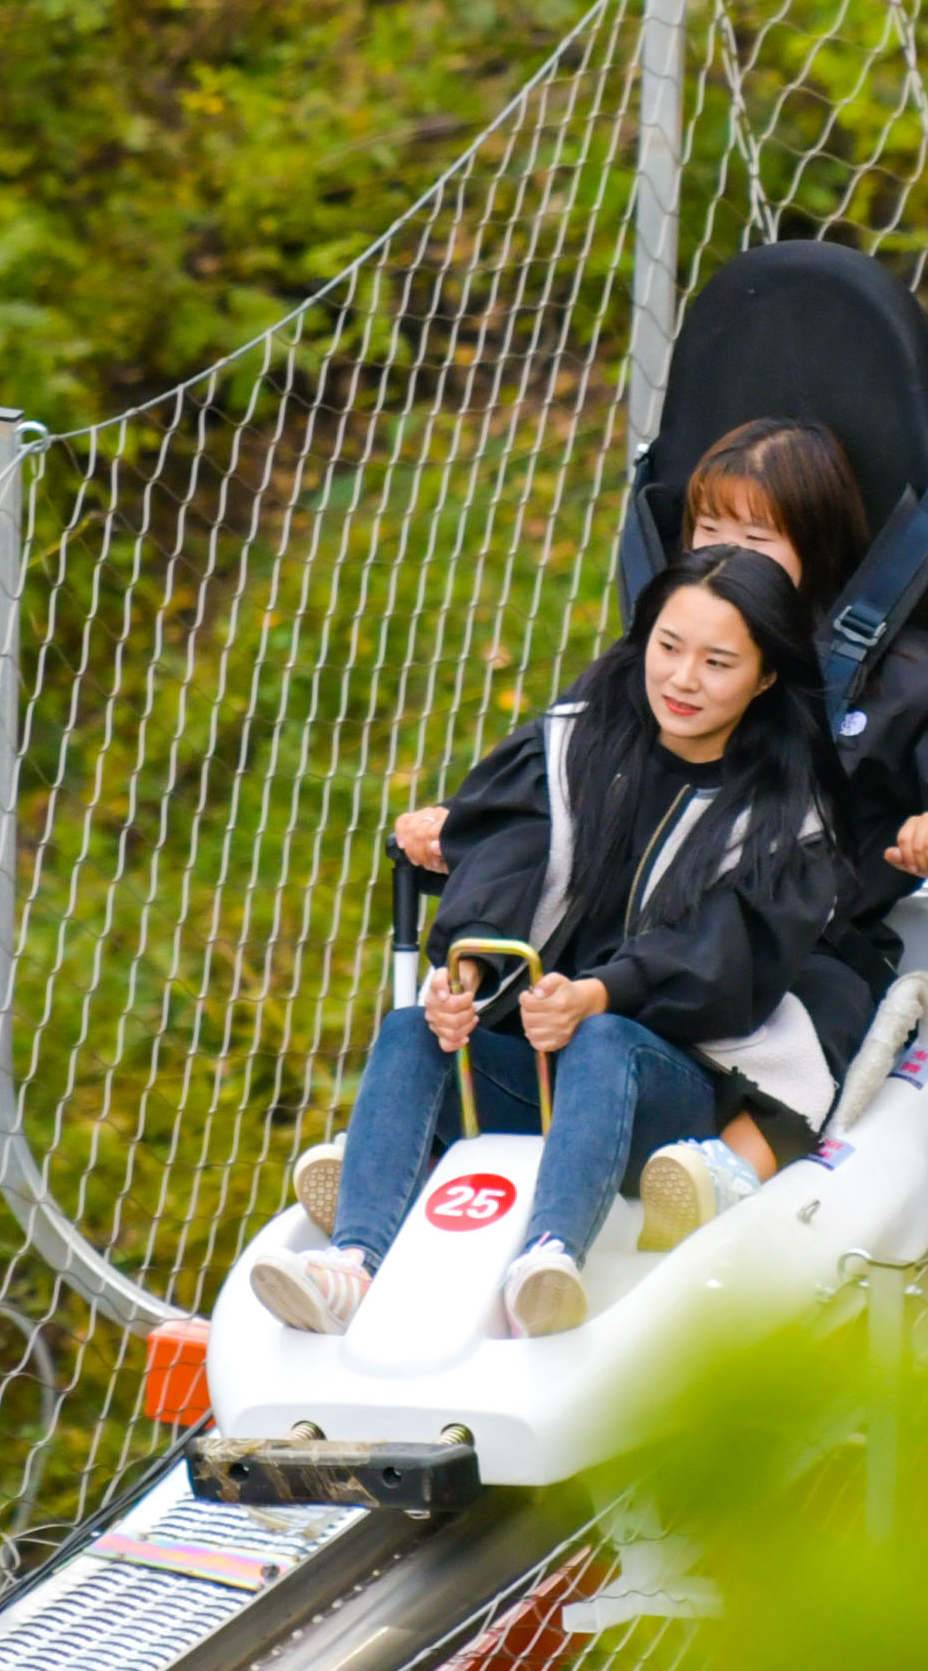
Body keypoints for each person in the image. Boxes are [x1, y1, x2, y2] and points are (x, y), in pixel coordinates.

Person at [258, 549, 854, 1342]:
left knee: (602, 1040)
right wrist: (466, 970)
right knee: (411, 1027)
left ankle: (547, 1260)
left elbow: (727, 958)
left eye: (717, 663)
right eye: (667, 647)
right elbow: (505, 855)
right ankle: (354, 1264)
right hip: (536, 1061)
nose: (681, 679)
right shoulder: (576, 742)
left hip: (670, 1092)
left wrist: (597, 994)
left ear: (766, 676)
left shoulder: (786, 811)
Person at [382, 415, 928, 1090]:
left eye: (757, 539)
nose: (729, 554)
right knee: (514, 984)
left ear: (813, 547)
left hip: (790, 949)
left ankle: (733, 1167)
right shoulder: (666, 660)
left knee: (810, 1007)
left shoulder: (905, 678)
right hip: (635, 934)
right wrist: (467, 822)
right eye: (709, 532)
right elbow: (561, 773)